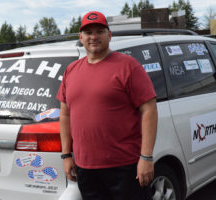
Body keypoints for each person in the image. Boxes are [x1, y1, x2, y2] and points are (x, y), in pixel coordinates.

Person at [56, 11, 158, 200]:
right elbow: (65, 114)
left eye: (99, 31)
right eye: (88, 32)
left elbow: (149, 109)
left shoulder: (128, 66)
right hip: (85, 168)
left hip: (125, 166)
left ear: (109, 35)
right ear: (81, 37)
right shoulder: (71, 70)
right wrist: (66, 155)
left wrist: (146, 157)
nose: (93, 37)